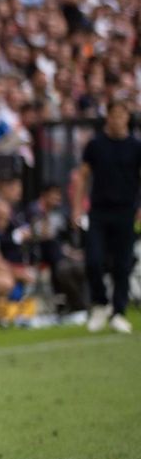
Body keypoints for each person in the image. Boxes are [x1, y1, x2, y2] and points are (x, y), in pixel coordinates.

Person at [70, 99, 140, 334]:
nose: (118, 119)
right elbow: (82, 177)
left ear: (127, 118)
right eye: (114, 114)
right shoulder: (96, 145)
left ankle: (118, 312)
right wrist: (77, 209)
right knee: (93, 260)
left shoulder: (135, 146)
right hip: (99, 212)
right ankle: (100, 304)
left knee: (122, 265)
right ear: (108, 117)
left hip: (126, 211)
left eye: (123, 115)